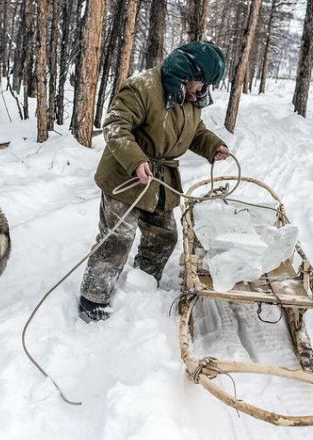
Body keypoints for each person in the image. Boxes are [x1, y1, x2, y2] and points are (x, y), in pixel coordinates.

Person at [79, 41, 231, 322]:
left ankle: (142, 282)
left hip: (160, 180)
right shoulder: (142, 87)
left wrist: (212, 146)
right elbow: (115, 125)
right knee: (118, 238)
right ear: (185, 73)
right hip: (125, 174)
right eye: (200, 83)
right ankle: (93, 298)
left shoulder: (189, 98)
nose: (202, 90)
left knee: (165, 235)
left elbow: (195, 131)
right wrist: (136, 160)